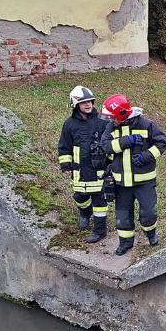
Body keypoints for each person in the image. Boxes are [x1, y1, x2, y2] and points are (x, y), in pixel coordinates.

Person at [99, 94, 166, 255]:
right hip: (121, 183)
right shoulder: (112, 128)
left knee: (148, 213)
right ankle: (125, 243)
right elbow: (106, 147)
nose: (111, 120)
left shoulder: (146, 124)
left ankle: (151, 234)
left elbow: (162, 143)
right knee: (122, 216)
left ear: (121, 114)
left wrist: (146, 156)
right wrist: (126, 141)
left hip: (144, 181)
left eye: (113, 117)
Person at [58, 86, 111, 242]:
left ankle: (100, 231)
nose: (88, 105)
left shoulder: (103, 121)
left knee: (99, 201)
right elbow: (64, 146)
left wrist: (110, 164)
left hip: (98, 169)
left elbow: (110, 143)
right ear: (76, 105)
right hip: (79, 169)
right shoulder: (69, 124)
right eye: (84, 103)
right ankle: (85, 213)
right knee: (80, 196)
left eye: (90, 102)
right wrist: (66, 164)